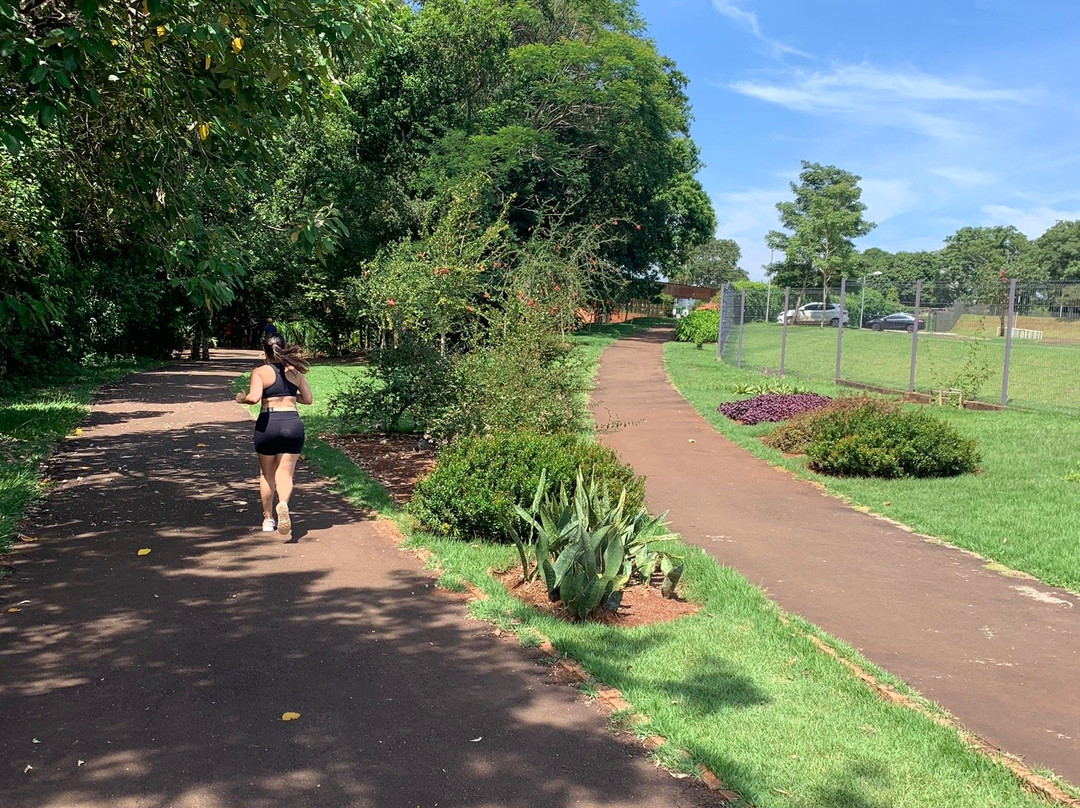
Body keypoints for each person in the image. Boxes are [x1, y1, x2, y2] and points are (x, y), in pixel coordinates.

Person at [235, 335, 313, 534]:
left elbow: (254, 398)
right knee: (285, 473)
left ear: (264, 350)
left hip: (268, 425)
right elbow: (308, 399)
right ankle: (284, 505)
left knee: (267, 474)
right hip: (292, 424)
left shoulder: (260, 372)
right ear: (283, 348)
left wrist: (242, 399)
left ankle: (268, 520)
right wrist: (288, 395)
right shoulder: (295, 372)